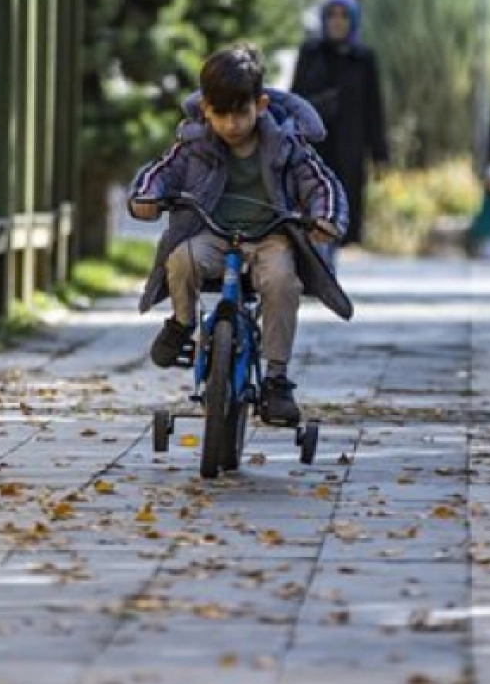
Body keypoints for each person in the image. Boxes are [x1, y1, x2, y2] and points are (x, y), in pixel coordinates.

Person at [128, 44, 353, 427]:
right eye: (220, 114)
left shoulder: (285, 143)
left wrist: (325, 218)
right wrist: (145, 197)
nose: (232, 124)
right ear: (205, 110)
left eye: (242, 113)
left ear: (261, 105)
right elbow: (160, 171)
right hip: (213, 232)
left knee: (283, 281)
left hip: (269, 236)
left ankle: (277, 377)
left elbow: (320, 183)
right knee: (180, 258)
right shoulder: (195, 143)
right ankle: (183, 323)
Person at [290, 0, 390, 246]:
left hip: (349, 146)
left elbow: (373, 107)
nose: (337, 21)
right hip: (313, 144)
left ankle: (333, 259)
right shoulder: (311, 53)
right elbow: (295, 98)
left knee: (343, 208)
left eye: (344, 16)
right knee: (310, 206)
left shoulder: (363, 58)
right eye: (332, 15)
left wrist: (379, 153)